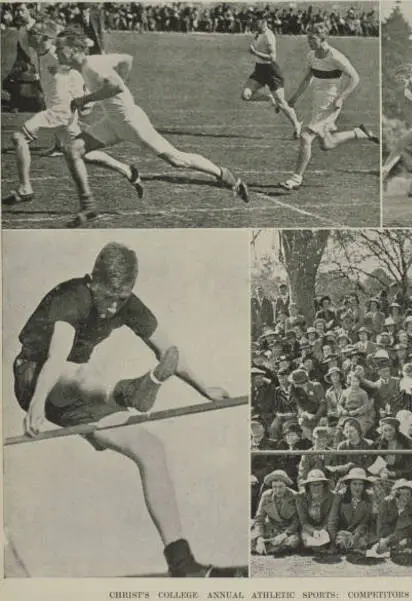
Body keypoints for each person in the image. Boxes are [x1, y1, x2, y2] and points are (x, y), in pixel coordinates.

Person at [13, 241, 233, 576]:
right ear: (93, 282)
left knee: (150, 449)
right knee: (83, 373)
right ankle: (130, 390)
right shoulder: (71, 297)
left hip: (83, 402)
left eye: (121, 298)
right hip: (37, 378)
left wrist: (204, 387)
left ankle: (182, 562)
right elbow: (57, 357)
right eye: (107, 297)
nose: (113, 307)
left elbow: (168, 349)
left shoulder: (127, 303)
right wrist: (36, 404)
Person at [55, 32, 248, 227]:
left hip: (132, 123)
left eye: (59, 49)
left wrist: (86, 99)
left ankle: (225, 175)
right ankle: (88, 206)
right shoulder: (91, 62)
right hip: (112, 123)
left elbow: (116, 88)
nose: (56, 52)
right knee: (73, 149)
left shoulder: (93, 66)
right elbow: (126, 59)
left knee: (178, 160)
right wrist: (111, 86)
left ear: (74, 50)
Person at [4, 21, 141, 207]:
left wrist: (85, 98)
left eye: (33, 33)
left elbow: (79, 71)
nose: (29, 35)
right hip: (61, 113)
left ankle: (25, 188)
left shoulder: (57, 55)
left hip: (59, 111)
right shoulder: (39, 52)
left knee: (19, 137)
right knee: (83, 153)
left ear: (44, 38)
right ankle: (127, 170)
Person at [280, 23, 378, 191]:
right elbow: (307, 79)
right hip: (318, 102)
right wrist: (294, 98)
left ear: (323, 38)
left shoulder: (336, 57)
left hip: (331, 103)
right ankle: (359, 132)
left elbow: (355, 77)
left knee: (305, 137)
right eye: (308, 38)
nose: (309, 42)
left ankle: (296, 178)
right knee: (327, 143)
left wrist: (342, 97)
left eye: (312, 38)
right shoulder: (311, 56)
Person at [241, 14, 301, 138]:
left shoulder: (269, 36)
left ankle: (297, 125)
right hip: (259, 70)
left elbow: (272, 58)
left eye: (256, 21)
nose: (254, 23)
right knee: (246, 95)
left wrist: (255, 52)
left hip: (271, 71)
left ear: (263, 22)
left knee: (282, 104)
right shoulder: (258, 33)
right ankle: (269, 97)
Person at [252, 470, 301, 556]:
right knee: (250, 539)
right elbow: (259, 519)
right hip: (271, 528)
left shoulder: (295, 496)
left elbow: (297, 520)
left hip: (288, 531)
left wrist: (284, 534)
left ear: (286, 485)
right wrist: (259, 538)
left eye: (281, 486)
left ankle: (270, 547)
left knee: (293, 541)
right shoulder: (266, 496)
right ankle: (267, 546)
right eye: (274, 487)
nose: (277, 490)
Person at [333, 467, 377, 553]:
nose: (357, 487)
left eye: (360, 484)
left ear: (364, 485)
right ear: (349, 484)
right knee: (341, 542)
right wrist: (332, 543)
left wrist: (356, 536)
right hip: (344, 531)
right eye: (354, 484)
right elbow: (333, 520)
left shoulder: (369, 497)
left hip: (361, 532)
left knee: (364, 542)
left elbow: (366, 521)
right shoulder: (340, 496)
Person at [295, 469, 340, 553]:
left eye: (318, 485)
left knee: (327, 540)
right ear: (308, 486)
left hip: (326, 528)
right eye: (313, 485)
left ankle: (323, 546)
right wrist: (314, 531)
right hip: (309, 529)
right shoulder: (300, 497)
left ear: (323, 485)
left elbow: (331, 519)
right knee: (308, 542)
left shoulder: (333, 497)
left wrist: (323, 530)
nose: (316, 488)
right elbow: (303, 522)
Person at [373, 479, 412, 554]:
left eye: (408, 494)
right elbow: (380, 524)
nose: (405, 497)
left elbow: (407, 529)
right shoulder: (386, 504)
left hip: (399, 538)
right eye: (402, 494)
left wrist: (388, 540)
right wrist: (382, 539)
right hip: (385, 535)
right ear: (396, 495)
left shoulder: (410, 509)